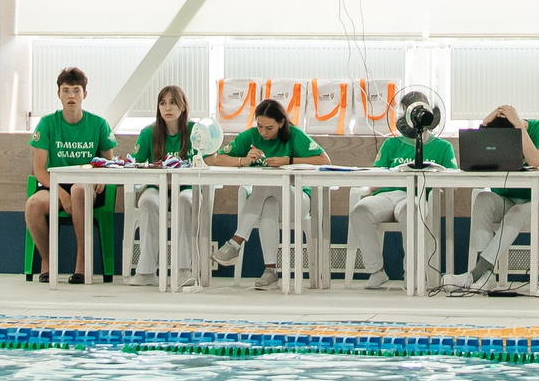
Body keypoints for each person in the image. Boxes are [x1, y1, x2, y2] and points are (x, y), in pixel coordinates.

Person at [206, 97, 322, 291]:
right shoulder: (250, 136)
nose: (263, 132)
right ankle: (270, 272)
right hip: (270, 201)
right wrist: (243, 160)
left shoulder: (294, 135)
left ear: (281, 123)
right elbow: (213, 159)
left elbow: (323, 159)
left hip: (298, 201)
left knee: (266, 185)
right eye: (260, 126)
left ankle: (235, 243)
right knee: (268, 204)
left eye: (269, 128)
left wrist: (289, 160)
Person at [23, 66, 117, 284]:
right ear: (59, 94)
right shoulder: (47, 123)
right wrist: (59, 194)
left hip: (87, 187)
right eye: (66, 90)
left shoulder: (98, 124)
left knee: (77, 190)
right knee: (33, 205)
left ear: (85, 94)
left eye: (76, 90)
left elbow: (109, 163)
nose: (71, 96)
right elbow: (39, 169)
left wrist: (102, 178)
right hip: (53, 186)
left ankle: (82, 265)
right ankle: (47, 261)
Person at [452, 104, 539, 295]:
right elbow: (477, 159)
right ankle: (487, 277)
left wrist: (518, 126)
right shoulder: (493, 130)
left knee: (516, 213)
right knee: (482, 199)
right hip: (505, 198)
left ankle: (476, 273)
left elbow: (536, 162)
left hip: (537, 202)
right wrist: (484, 126)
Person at [350, 114, 454, 290]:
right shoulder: (391, 144)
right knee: (360, 211)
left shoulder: (443, 147)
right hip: (387, 194)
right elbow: (375, 182)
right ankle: (376, 271)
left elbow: (453, 184)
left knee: (410, 209)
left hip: (417, 195)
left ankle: (411, 273)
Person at [124, 85, 205, 286]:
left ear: (183, 106)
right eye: (162, 103)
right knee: (147, 202)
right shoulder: (148, 133)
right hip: (156, 187)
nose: (167, 107)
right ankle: (146, 271)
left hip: (187, 188)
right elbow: (136, 165)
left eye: (172, 102)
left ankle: (183, 270)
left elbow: (206, 164)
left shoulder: (197, 131)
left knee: (184, 201)